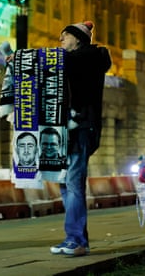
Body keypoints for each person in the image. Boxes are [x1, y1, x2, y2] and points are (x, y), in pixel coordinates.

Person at [49, 21, 112, 256]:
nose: (61, 40)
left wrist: (30, 58)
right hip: (67, 129)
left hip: (84, 127)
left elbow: (70, 62)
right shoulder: (71, 59)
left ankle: (76, 240)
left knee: (73, 183)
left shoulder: (92, 56)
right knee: (65, 183)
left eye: (64, 36)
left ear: (77, 38)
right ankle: (75, 239)